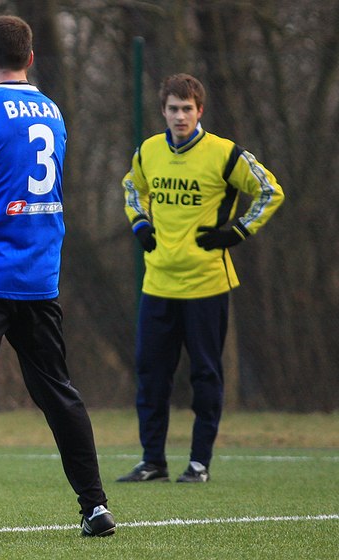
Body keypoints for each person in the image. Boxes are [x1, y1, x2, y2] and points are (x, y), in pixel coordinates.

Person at [0, 15, 115, 541]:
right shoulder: (53, 110)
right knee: (58, 391)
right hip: (40, 276)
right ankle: (95, 506)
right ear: (31, 58)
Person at [118, 73, 285, 483]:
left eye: (187, 109)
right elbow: (131, 188)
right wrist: (139, 221)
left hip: (207, 284)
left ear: (200, 111)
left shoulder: (225, 154)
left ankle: (198, 463)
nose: (180, 116)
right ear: (163, 110)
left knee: (205, 374)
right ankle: (153, 461)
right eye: (173, 109)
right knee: (151, 373)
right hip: (158, 284)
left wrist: (238, 230)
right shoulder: (148, 152)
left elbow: (270, 190)